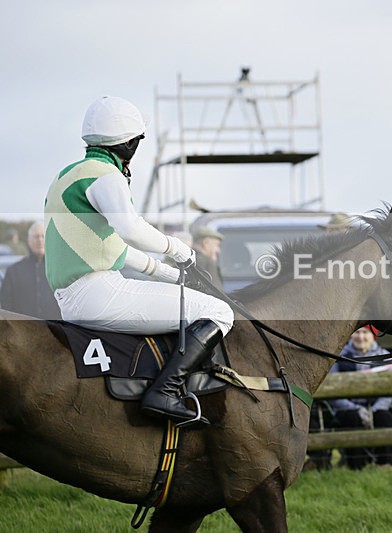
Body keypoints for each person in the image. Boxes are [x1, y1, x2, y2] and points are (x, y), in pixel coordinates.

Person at [44, 96, 234, 425]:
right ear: (130, 143)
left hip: (78, 295)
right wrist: (182, 252)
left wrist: (173, 276)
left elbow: (117, 250)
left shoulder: (68, 174)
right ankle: (165, 391)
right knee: (219, 311)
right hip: (99, 293)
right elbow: (130, 229)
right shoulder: (106, 175)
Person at [329, 326, 392, 469]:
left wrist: (375, 410)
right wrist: (357, 409)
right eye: (357, 332)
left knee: (384, 417)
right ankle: (355, 466)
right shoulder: (339, 357)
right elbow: (332, 391)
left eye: (365, 332)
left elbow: (388, 391)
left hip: (377, 406)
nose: (361, 337)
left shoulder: (385, 357)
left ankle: (385, 465)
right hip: (348, 407)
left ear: (373, 336)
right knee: (351, 418)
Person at [0, 222, 61, 319]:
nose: (40, 240)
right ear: (29, 241)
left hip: (55, 331)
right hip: (23, 331)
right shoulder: (13, 272)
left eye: (43, 236)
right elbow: (6, 307)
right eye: (36, 237)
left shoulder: (60, 270)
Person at [191, 226, 225, 292]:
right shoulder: (206, 263)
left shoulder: (181, 262)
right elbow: (218, 295)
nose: (219, 250)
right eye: (217, 245)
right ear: (205, 243)